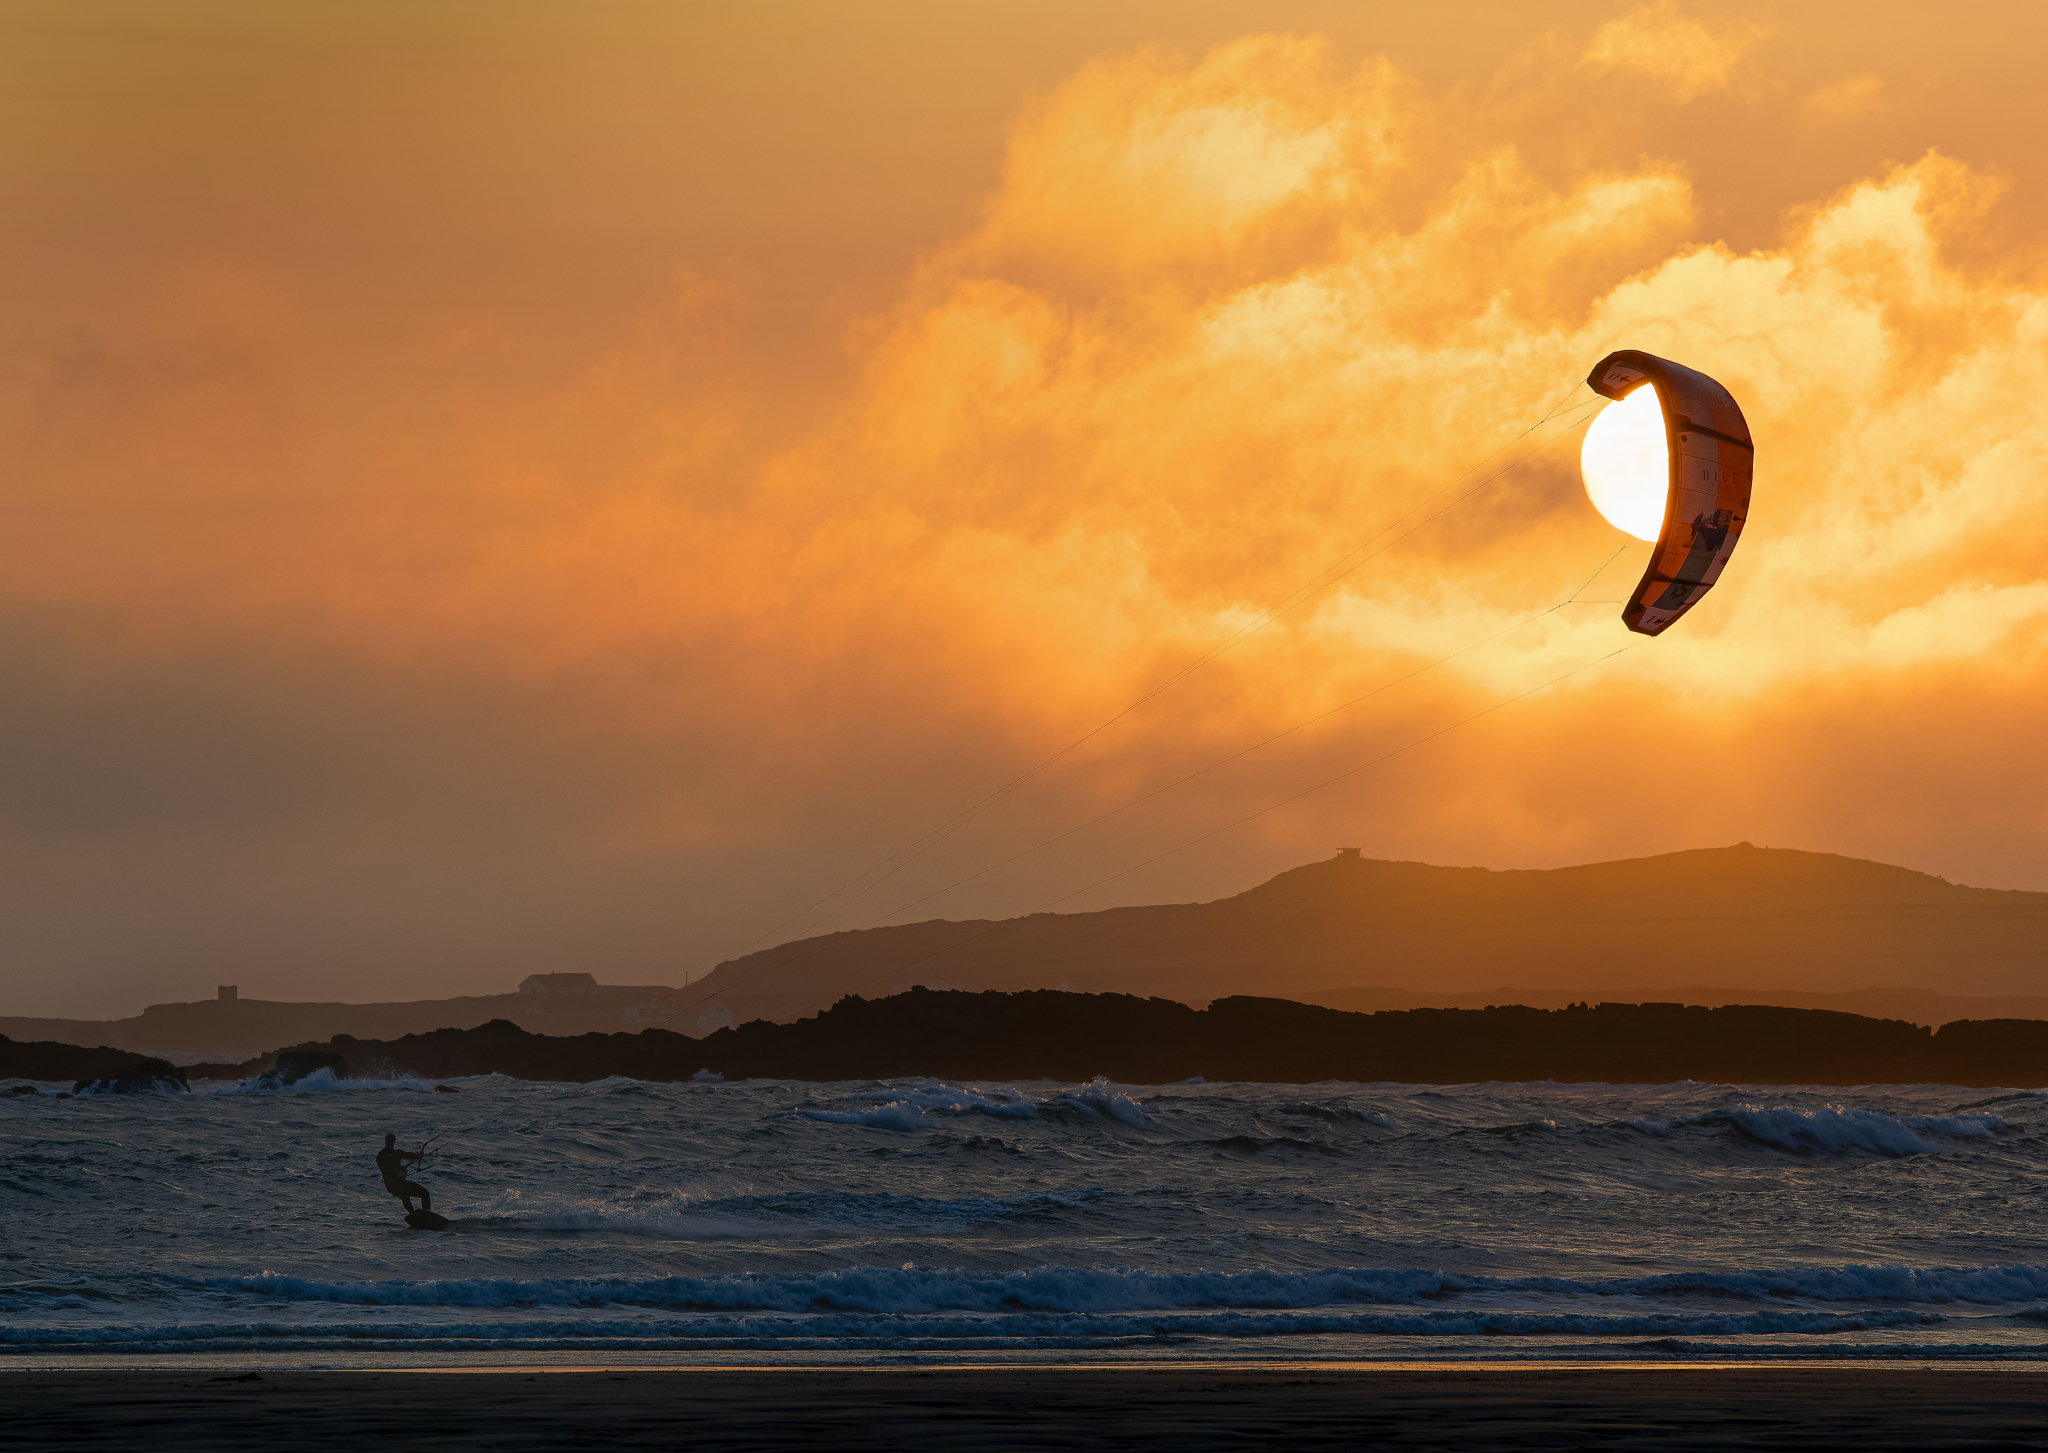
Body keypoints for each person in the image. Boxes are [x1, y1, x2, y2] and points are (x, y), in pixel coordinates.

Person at [375, 1132, 431, 1212]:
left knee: (425, 1193)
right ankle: (413, 1216)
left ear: (394, 1141)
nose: (389, 1142)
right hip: (390, 1183)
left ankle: (427, 1214)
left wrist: (418, 1155)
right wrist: (398, 1172)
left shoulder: (397, 1153)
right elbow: (385, 1169)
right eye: (388, 1140)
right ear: (385, 1141)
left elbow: (408, 1155)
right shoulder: (381, 1155)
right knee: (404, 1195)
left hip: (401, 1182)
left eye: (391, 1140)